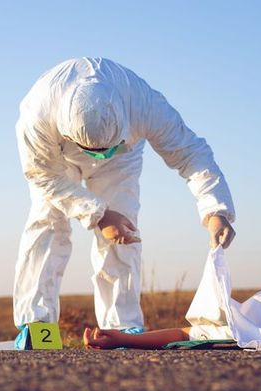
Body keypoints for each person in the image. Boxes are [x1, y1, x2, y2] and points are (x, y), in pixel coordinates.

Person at [13, 57, 236, 349]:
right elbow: (42, 176)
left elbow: (191, 153)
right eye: (93, 150)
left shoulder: (145, 105)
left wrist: (215, 210)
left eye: (104, 148)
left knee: (124, 231)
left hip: (122, 157)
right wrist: (99, 214)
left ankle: (122, 326)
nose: (97, 156)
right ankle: (37, 326)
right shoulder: (37, 113)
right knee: (48, 223)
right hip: (57, 160)